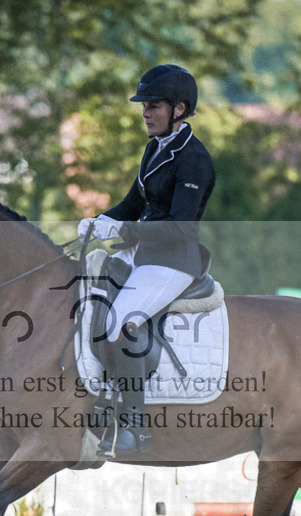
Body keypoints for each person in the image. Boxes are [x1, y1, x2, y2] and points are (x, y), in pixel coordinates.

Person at [77, 64, 216, 455]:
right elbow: (133, 203)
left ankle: (135, 427)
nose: (145, 113)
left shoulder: (195, 159)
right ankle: (102, 399)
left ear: (179, 109)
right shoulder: (154, 148)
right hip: (143, 253)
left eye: (153, 106)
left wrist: (123, 232)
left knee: (124, 323)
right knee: (93, 306)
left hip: (174, 261)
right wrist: (100, 221)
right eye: (144, 106)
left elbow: (177, 227)